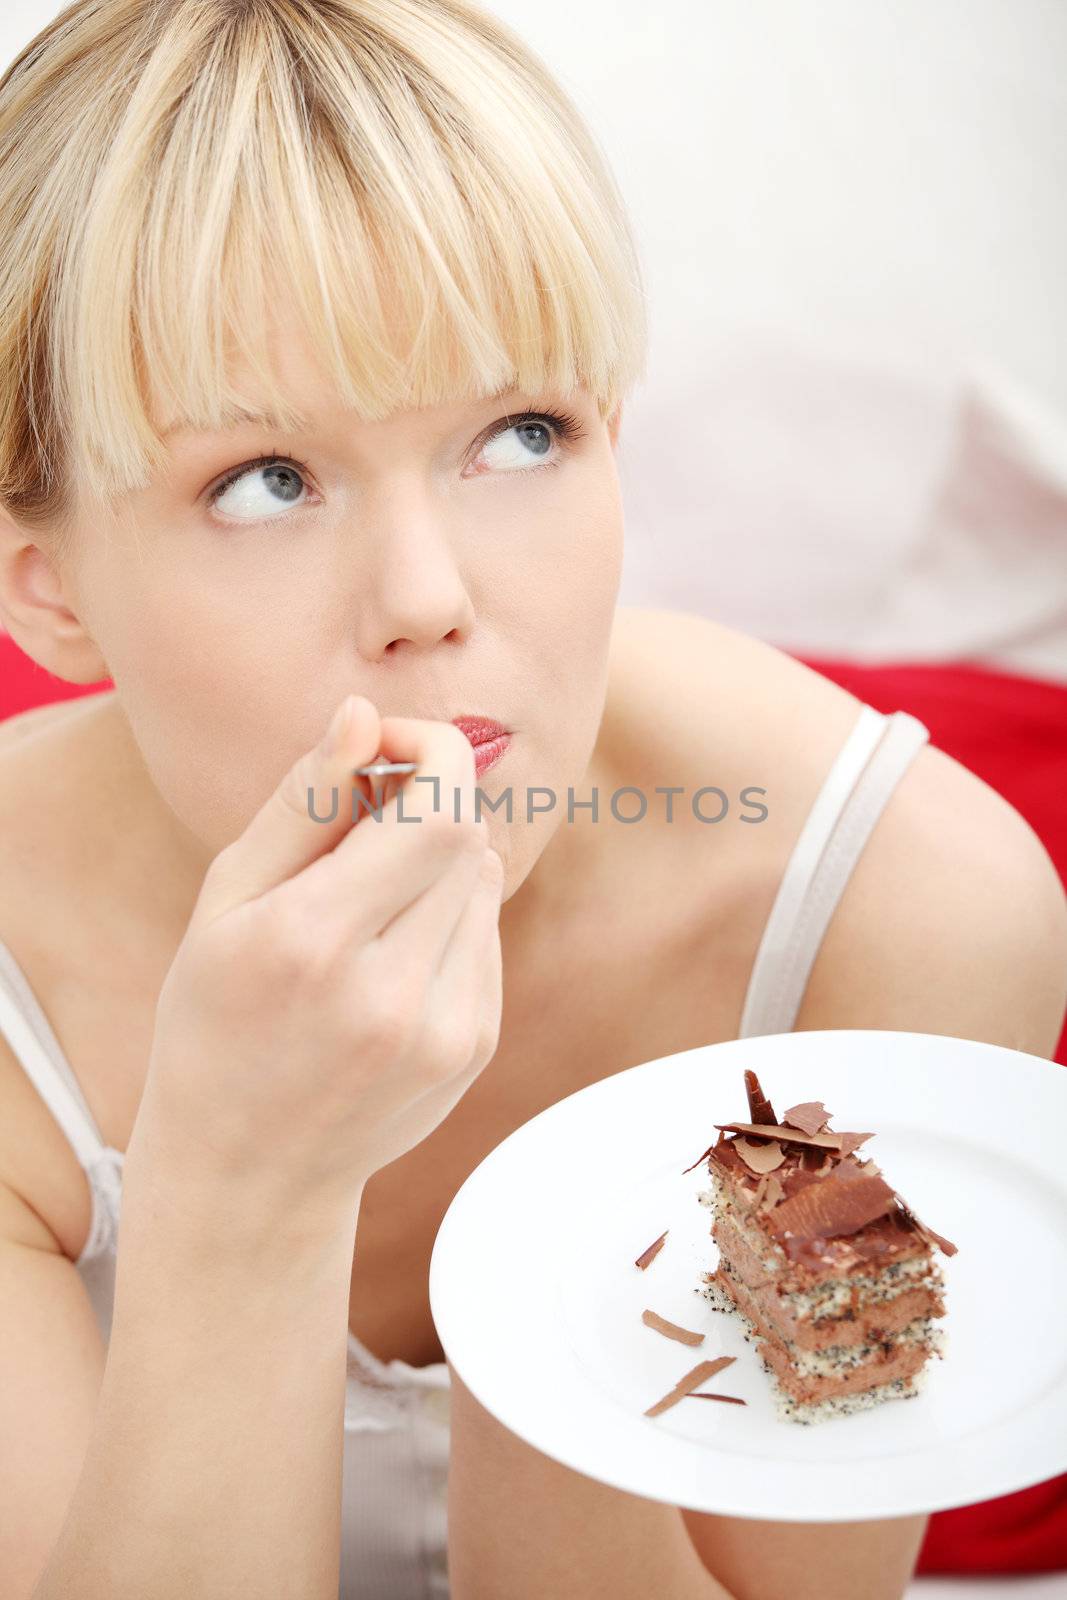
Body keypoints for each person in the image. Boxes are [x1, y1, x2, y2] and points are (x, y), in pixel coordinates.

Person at [0, 3, 1063, 1598]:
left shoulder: (897, 914)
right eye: (266, 481)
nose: (428, 599)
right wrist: (237, 1177)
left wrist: (564, 1240)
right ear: (50, 591)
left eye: (519, 434)